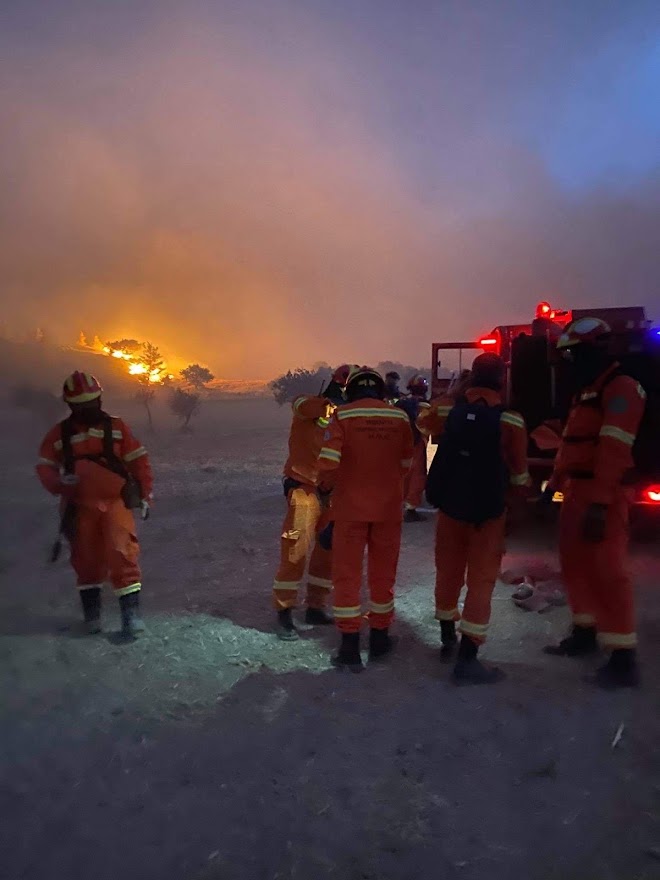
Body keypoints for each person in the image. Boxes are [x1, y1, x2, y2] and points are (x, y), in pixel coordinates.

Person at [542, 317, 646, 688]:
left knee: (608, 571)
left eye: (573, 355)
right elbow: (569, 453)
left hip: (605, 493)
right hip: (575, 491)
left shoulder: (622, 390)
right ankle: (584, 633)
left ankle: (623, 658)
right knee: (575, 564)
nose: (569, 364)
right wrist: (552, 491)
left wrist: (601, 505)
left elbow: (613, 452)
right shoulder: (586, 393)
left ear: (594, 350)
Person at [419, 354, 531, 684]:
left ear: (472, 378)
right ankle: (468, 658)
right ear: (502, 380)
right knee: (481, 581)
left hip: (450, 508)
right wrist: (518, 504)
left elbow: (423, 421)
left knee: (448, 572)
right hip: (488, 514)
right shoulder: (511, 420)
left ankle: (446, 641)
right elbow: (520, 474)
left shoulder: (445, 410)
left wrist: (455, 394)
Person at [36, 371, 153, 636]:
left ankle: (131, 617)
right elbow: (45, 466)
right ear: (71, 406)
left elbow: (139, 462)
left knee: (122, 553)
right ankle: (93, 616)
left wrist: (145, 495)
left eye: (92, 402)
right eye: (82, 404)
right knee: (86, 559)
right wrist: (58, 483)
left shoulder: (117, 427)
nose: (89, 408)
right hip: (78, 506)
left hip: (115, 503)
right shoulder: (58, 434)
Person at [318, 367, 414, 671]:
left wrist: (325, 490)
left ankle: (349, 648)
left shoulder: (343, 416)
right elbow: (406, 463)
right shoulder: (399, 418)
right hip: (387, 510)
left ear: (352, 391)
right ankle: (380, 638)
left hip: (349, 510)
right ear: (381, 393)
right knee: (383, 575)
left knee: (347, 575)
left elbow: (329, 461)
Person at [271, 365, 352, 640]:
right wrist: (331, 402)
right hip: (303, 489)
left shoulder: (347, 415)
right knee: (295, 548)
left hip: (331, 493)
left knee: (326, 551)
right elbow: (304, 406)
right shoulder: (307, 404)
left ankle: (315, 607)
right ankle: (284, 612)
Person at [398, 375, 431, 522]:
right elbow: (427, 425)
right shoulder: (424, 405)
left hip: (401, 443)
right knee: (418, 475)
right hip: (417, 442)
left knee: (403, 473)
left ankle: (400, 504)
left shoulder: (402, 402)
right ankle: (411, 509)